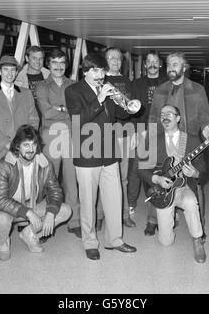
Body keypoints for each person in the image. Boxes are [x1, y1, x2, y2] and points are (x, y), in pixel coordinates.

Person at [65, 53, 136, 260]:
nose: (100, 74)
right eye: (95, 70)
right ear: (85, 71)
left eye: (102, 70)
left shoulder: (109, 88)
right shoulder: (73, 91)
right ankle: (90, 242)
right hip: (87, 153)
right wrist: (100, 98)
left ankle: (115, 240)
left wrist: (125, 104)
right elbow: (79, 120)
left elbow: (120, 116)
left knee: (114, 198)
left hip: (110, 152)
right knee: (88, 201)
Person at [148, 51, 209, 233]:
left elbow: (205, 115)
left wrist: (206, 128)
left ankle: (199, 225)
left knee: (194, 181)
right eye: (169, 64)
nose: (171, 68)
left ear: (184, 68)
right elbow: (153, 116)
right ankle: (154, 218)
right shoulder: (160, 89)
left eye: (175, 64)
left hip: (189, 141)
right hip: (164, 140)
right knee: (160, 177)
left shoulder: (197, 89)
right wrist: (150, 138)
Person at [0, 55, 39, 244]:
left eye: (13, 70)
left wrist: (24, 144)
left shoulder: (26, 93)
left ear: (17, 72)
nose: (9, 73)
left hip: (21, 151)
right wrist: (7, 144)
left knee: (20, 186)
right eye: (5, 69)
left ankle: (21, 221)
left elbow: (34, 120)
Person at [137, 105, 207, 263]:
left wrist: (195, 173)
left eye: (169, 114)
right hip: (163, 192)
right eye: (162, 114)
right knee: (166, 242)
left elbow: (203, 167)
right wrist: (157, 179)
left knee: (190, 201)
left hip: (182, 187)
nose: (165, 117)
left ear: (178, 118)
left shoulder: (191, 140)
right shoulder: (153, 140)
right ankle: (170, 217)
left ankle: (198, 241)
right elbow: (140, 168)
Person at [0, 124, 72, 261]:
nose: (31, 149)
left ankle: (29, 234)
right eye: (26, 145)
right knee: (0, 219)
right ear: (17, 146)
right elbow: (0, 199)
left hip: (32, 203)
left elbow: (56, 191)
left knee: (65, 211)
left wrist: (50, 213)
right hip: (9, 206)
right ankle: (3, 242)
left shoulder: (44, 163)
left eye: (34, 144)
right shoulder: (5, 164)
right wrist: (28, 212)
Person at [36, 49, 81, 239]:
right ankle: (46, 222)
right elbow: (46, 112)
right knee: (49, 181)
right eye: (54, 62)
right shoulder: (41, 86)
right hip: (50, 136)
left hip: (71, 135)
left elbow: (78, 111)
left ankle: (75, 221)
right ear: (48, 64)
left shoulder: (74, 85)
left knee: (72, 180)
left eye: (62, 62)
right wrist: (65, 109)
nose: (59, 66)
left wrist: (59, 109)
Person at [96, 47, 136, 230]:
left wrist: (134, 131)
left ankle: (124, 214)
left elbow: (133, 108)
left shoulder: (128, 82)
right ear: (105, 60)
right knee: (101, 175)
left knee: (123, 177)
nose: (115, 60)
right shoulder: (98, 79)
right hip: (103, 133)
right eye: (111, 57)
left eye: (118, 58)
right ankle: (99, 215)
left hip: (124, 132)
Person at [129, 50, 166, 236]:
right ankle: (134, 205)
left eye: (155, 61)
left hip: (163, 133)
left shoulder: (168, 83)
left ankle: (164, 211)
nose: (152, 64)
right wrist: (136, 131)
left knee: (163, 170)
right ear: (144, 65)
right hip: (144, 131)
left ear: (160, 64)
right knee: (142, 170)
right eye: (149, 61)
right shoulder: (137, 84)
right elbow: (132, 110)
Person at [15, 45, 50, 122]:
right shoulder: (17, 79)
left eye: (40, 58)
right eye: (34, 58)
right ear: (27, 58)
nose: (38, 61)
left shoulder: (50, 76)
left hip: (47, 122)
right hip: (27, 123)